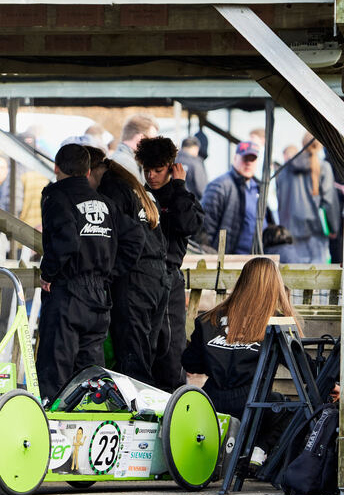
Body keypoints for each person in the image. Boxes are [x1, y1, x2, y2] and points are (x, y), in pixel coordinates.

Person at [35, 144, 135, 400]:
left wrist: (47, 273)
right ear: (88, 170)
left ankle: (51, 431)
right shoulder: (106, 203)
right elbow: (135, 237)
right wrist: (109, 273)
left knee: (55, 372)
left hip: (68, 292)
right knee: (91, 376)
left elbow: (66, 240)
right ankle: (89, 425)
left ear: (56, 168)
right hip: (99, 297)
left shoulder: (56, 196)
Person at [182, 257, 300, 464]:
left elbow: (191, 363)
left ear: (242, 282)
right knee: (291, 408)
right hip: (252, 407)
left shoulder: (210, 318)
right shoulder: (276, 323)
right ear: (275, 287)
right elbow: (302, 367)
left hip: (211, 404)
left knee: (274, 400)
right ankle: (259, 450)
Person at [86, 146, 166, 387]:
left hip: (135, 279)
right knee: (144, 352)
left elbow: (129, 237)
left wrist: (111, 273)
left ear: (91, 170)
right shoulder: (133, 187)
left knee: (132, 356)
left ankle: (137, 417)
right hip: (156, 276)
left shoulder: (110, 187)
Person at [135, 136, 203, 391]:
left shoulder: (181, 196)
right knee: (142, 347)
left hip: (169, 277)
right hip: (140, 279)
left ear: (172, 168)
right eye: (146, 170)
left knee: (172, 350)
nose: (151, 175)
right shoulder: (137, 197)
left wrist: (180, 186)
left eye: (158, 170)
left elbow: (189, 225)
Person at [275, 133, 340, 264]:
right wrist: (333, 228)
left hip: (288, 235)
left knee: (293, 281)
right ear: (321, 146)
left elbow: (280, 201)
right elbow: (329, 202)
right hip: (315, 235)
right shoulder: (324, 167)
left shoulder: (284, 169)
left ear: (302, 144)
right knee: (315, 281)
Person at [201, 140, 267, 255]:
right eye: (245, 158)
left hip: (255, 261)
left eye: (252, 159)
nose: (248, 163)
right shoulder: (219, 186)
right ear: (235, 158)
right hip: (230, 263)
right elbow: (204, 230)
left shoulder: (258, 188)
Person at [109, 113, 158, 182]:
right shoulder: (125, 163)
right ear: (141, 139)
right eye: (152, 140)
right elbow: (137, 192)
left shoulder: (127, 160)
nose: (154, 146)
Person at [176, 136, 208, 201]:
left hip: (173, 205)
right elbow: (202, 189)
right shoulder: (195, 163)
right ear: (196, 148)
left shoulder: (173, 161)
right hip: (191, 206)